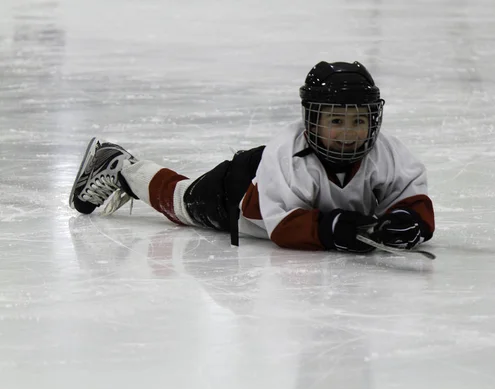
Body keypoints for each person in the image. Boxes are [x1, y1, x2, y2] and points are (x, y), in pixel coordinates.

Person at [69, 61, 435, 253]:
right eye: (336, 120)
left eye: (359, 120)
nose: (349, 131)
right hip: (240, 190)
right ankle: (121, 167)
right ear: (311, 119)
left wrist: (409, 221)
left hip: (267, 186)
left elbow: (411, 196)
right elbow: (283, 227)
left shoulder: (384, 152)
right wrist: (332, 229)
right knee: (181, 200)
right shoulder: (287, 152)